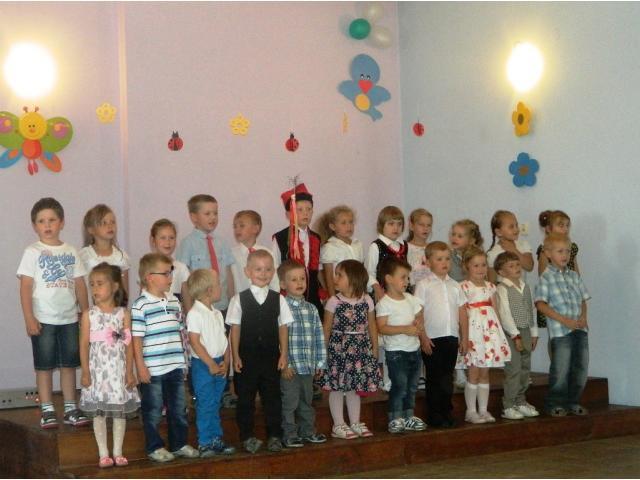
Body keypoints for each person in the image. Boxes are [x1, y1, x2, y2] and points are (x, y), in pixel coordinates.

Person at [17, 197, 90, 429]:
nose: (47, 225)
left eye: (52, 220)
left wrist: (86, 313)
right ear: (34, 225)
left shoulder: (71, 251)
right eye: (41, 221)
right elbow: (25, 287)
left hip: (69, 318)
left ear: (62, 222)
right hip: (43, 319)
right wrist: (29, 317)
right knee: (44, 366)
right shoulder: (32, 252)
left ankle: (70, 407)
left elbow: (80, 285)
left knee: (69, 364)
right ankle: (47, 408)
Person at [132, 253, 199, 463]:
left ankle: (179, 444)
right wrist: (140, 367)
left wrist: (184, 361)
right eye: (166, 273)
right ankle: (154, 446)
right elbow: (136, 339)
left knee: (178, 408)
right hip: (153, 368)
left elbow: (181, 333)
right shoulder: (140, 305)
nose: (171, 277)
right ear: (150, 277)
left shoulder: (174, 301)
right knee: (152, 410)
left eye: (171, 273)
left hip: (175, 365)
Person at [226, 250, 293, 454]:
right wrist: (236, 356)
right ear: (247, 272)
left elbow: (283, 327)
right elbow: (235, 329)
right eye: (258, 269)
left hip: (271, 358)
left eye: (267, 269)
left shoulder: (278, 299)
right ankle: (247, 436)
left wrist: (284, 353)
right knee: (245, 400)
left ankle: (275, 435)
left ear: (273, 272)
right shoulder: (239, 299)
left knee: (273, 398)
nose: (263, 274)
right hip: (246, 359)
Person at [79, 263, 140, 468]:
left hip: (117, 372)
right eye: (92, 284)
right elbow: (83, 345)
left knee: (118, 411)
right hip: (98, 372)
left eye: (100, 284)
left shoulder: (123, 314)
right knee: (100, 412)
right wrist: (85, 372)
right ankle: (103, 453)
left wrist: (129, 371)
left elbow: (128, 344)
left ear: (114, 287)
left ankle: (118, 451)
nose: (94, 288)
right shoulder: (89, 314)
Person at [319, 260, 382, 440]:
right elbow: (327, 329)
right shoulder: (334, 301)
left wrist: (374, 349)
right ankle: (338, 424)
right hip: (339, 351)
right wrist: (322, 354)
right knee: (337, 387)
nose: (335, 278)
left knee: (355, 387)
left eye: (340, 275)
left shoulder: (367, 300)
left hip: (360, 351)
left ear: (354, 279)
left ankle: (355, 422)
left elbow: (372, 326)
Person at [535, 233, 591, 417]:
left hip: (580, 329)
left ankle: (573, 401)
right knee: (561, 368)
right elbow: (541, 304)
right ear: (548, 253)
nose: (565, 255)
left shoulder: (574, 276)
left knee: (580, 367)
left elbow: (583, 299)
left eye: (567, 251)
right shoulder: (546, 278)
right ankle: (555, 403)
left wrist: (583, 316)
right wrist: (564, 320)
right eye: (560, 251)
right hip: (561, 332)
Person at [414, 241, 467, 428]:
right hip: (432, 339)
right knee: (434, 378)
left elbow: (462, 312)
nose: (444, 262)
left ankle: (446, 412)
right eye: (439, 259)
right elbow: (418, 313)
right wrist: (423, 337)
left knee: (447, 378)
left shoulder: (456, 286)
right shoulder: (424, 285)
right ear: (428, 262)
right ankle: (435, 415)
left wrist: (464, 338)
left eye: (447, 259)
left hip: (451, 337)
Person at [278, 259, 327, 448]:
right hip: (290, 367)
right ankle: (289, 434)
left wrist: (320, 363)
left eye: (302, 279)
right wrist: (285, 364)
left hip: (307, 366)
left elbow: (319, 336)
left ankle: (308, 431)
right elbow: (278, 339)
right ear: (283, 284)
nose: (299, 283)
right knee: (289, 402)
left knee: (307, 401)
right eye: (294, 280)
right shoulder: (281, 308)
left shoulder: (312, 309)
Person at [186, 269, 235, 457]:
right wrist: (210, 364)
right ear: (209, 290)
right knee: (205, 403)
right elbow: (195, 342)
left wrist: (226, 361)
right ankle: (205, 442)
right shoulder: (195, 313)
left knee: (215, 403)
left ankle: (216, 439)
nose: (221, 288)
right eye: (218, 285)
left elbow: (224, 339)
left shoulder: (217, 313)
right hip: (203, 365)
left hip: (219, 363)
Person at [460, 246, 511, 424]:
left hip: (489, 335)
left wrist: (499, 335)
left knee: (485, 373)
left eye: (483, 265)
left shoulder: (491, 287)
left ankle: (483, 410)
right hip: (474, 336)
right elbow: (461, 314)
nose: (481, 269)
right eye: (476, 265)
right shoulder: (463, 287)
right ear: (466, 266)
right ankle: (470, 411)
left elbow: (496, 311)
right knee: (473, 373)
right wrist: (463, 337)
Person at [375, 257, 426, 434]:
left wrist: (419, 323)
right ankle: (395, 418)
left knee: (412, 386)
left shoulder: (411, 299)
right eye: (403, 277)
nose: (407, 281)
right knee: (399, 385)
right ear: (389, 279)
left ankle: (408, 416)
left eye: (407, 277)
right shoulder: (384, 303)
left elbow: (419, 315)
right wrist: (404, 329)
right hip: (396, 352)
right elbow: (382, 328)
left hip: (414, 350)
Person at [494, 252, 539, 420]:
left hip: (526, 330)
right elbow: (505, 314)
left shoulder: (525, 286)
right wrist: (515, 335)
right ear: (501, 272)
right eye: (511, 266)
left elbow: (531, 310)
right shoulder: (502, 288)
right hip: (512, 333)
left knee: (525, 368)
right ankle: (508, 405)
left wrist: (534, 333)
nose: (516, 268)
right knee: (514, 369)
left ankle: (520, 401)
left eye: (517, 264)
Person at [176, 194, 235, 313]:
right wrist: (189, 311)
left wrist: (233, 305)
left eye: (215, 213)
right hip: (199, 309)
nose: (213, 217)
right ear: (194, 217)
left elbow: (229, 277)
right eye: (207, 214)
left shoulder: (223, 243)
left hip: (223, 307)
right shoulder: (187, 244)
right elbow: (184, 281)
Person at [272, 183, 324, 316]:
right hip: (289, 297)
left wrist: (324, 292)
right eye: (300, 209)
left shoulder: (316, 238)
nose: (305, 213)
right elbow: (275, 268)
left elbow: (318, 269)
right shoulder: (279, 238)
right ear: (289, 214)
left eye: (309, 209)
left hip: (313, 297)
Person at [448, 219, 484, 389]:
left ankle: (473, 367)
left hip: (473, 302)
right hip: (456, 301)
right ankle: (459, 371)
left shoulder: (477, 257)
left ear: (471, 240)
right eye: (453, 234)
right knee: (458, 335)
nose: (455, 238)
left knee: (471, 336)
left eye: (460, 236)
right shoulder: (450, 256)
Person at [536, 210, 580, 328]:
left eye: (567, 225)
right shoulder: (545, 251)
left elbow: (576, 272)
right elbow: (543, 276)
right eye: (561, 225)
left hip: (570, 295)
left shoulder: (571, 247)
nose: (565, 229)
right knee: (557, 330)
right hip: (554, 298)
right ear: (548, 229)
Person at [80, 204, 131, 301]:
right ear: (91, 229)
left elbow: (124, 290)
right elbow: (81, 288)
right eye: (104, 223)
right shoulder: (84, 255)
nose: (110, 226)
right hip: (93, 308)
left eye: (113, 222)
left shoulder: (121, 256)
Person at [318, 205, 364, 298]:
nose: (349, 226)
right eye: (343, 223)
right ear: (333, 226)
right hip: (339, 294)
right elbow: (329, 277)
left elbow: (361, 271)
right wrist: (333, 298)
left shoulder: (358, 244)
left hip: (357, 292)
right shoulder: (329, 247)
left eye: (351, 222)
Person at [366, 205, 408, 302]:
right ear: (381, 226)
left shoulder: (404, 245)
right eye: (391, 224)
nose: (396, 228)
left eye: (399, 224)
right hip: (383, 294)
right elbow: (369, 272)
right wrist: (377, 288)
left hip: (402, 292)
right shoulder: (376, 246)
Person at [231, 209, 279, 293]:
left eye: (242, 226)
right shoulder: (231, 254)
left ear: (255, 228)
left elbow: (275, 281)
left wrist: (273, 297)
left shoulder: (268, 253)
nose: (237, 229)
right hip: (240, 299)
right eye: (235, 226)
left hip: (265, 298)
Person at [487, 210, 534, 284]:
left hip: (522, 290)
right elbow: (492, 282)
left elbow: (529, 266)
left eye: (516, 225)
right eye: (511, 227)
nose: (516, 229)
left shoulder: (523, 245)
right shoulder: (493, 253)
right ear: (499, 232)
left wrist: (514, 250)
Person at [149, 219, 190, 303]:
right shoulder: (148, 267)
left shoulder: (182, 268)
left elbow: (187, 302)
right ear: (153, 241)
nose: (168, 242)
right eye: (163, 238)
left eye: (171, 238)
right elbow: (142, 299)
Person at [406, 208, 433, 290]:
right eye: (421, 225)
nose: (425, 228)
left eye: (429, 225)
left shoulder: (433, 249)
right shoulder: (405, 248)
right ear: (411, 226)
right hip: (412, 291)